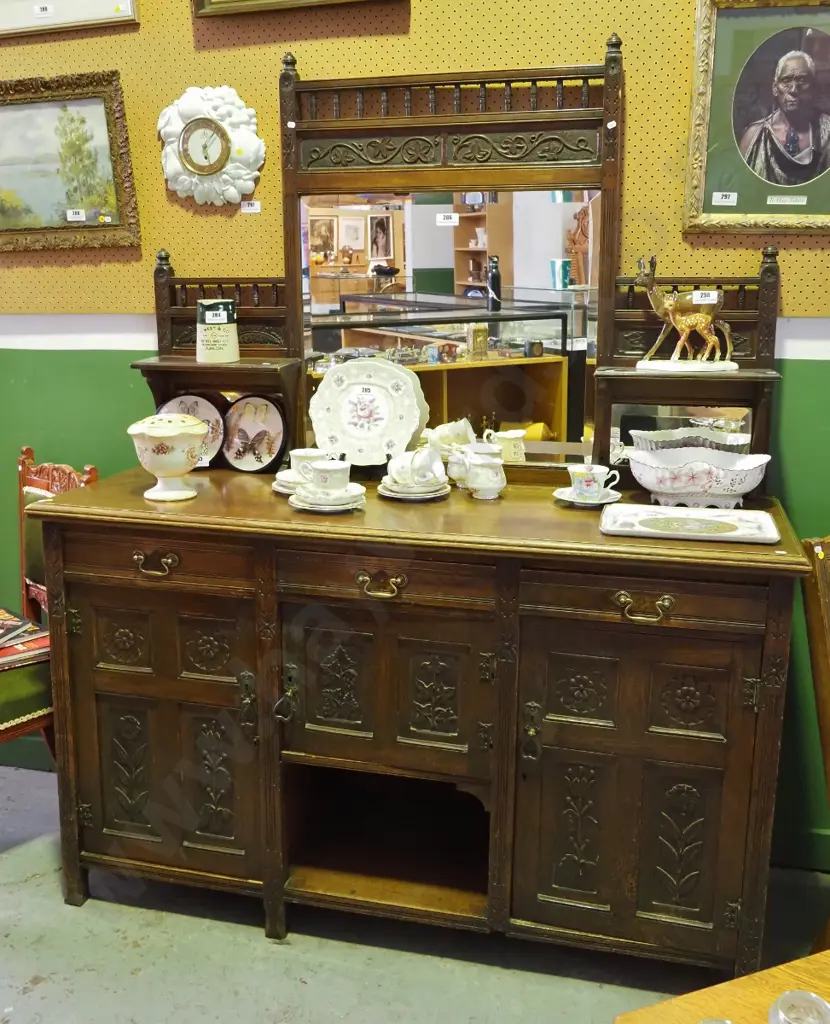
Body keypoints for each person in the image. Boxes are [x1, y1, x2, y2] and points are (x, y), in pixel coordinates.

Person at [739, 50, 830, 185]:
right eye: (786, 80)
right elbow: (743, 187)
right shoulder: (754, 137)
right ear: (775, 88)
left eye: (802, 80)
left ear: (813, 87)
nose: (793, 89)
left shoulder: (827, 132)